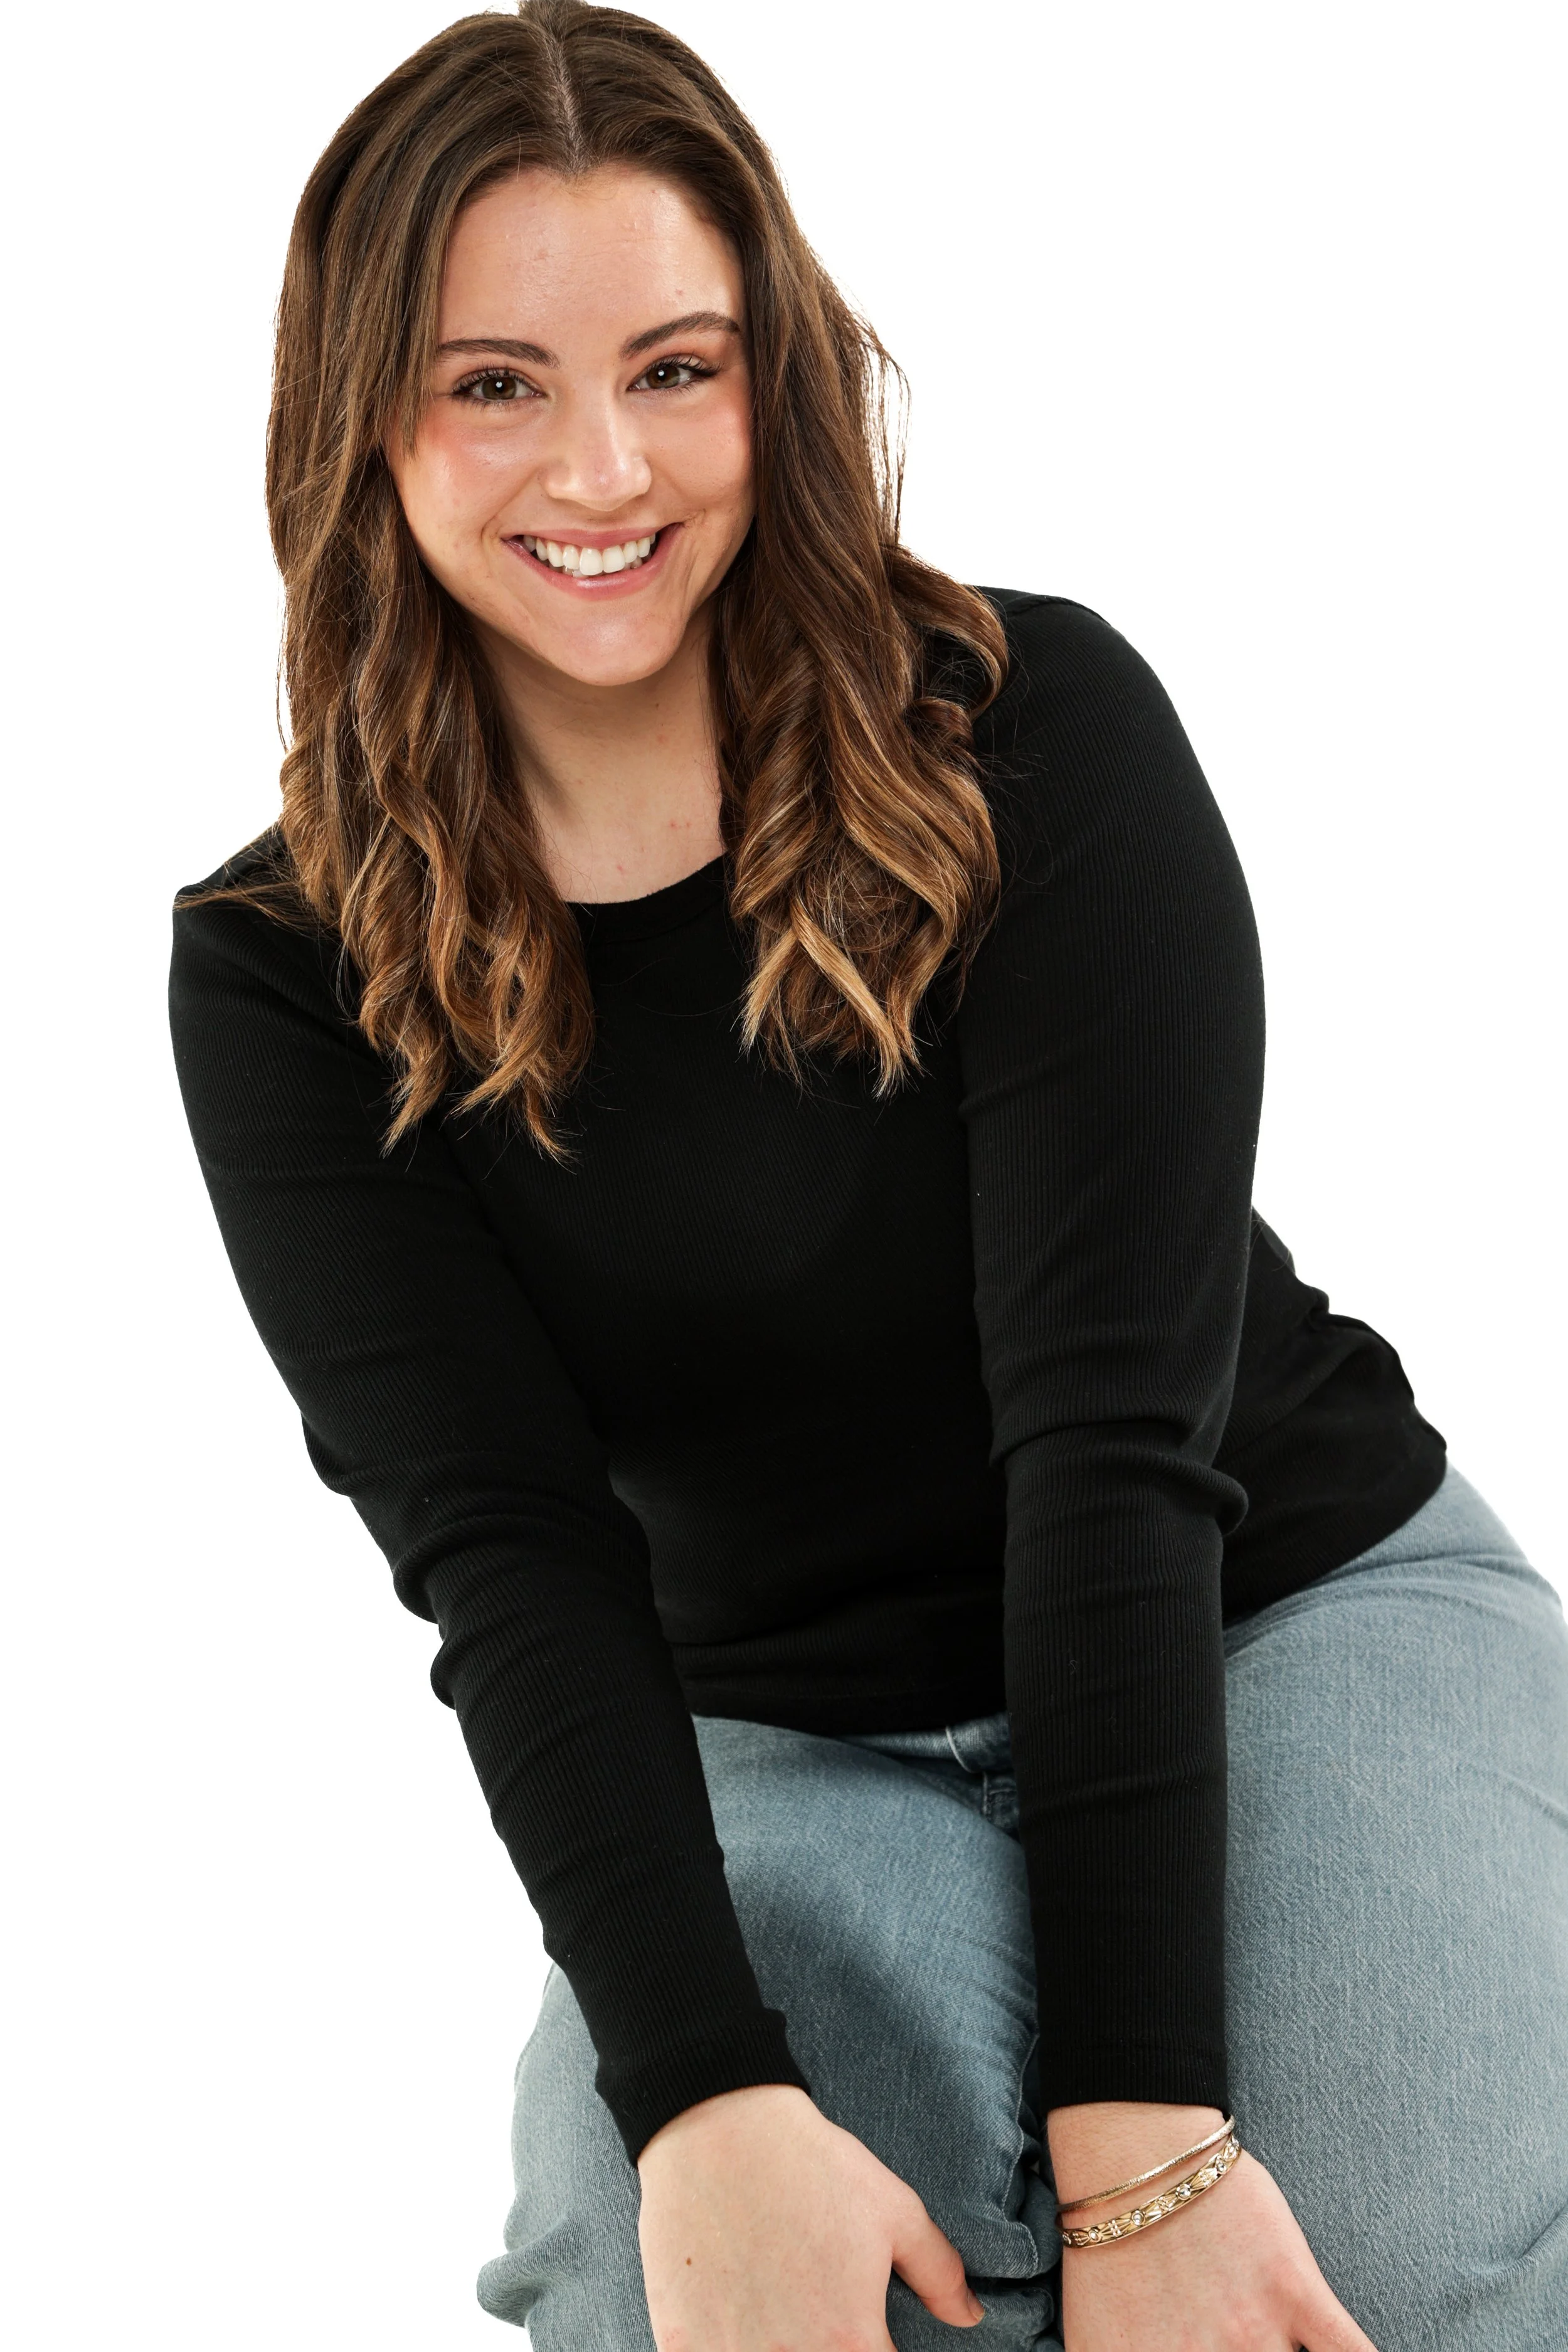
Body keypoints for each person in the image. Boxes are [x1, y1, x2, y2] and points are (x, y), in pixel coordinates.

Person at [167, 6, 1568, 2348]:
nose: (601, 465)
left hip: (1272, 1598)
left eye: (677, 369)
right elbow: (508, 1556)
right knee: (672, 2282)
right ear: (360, 419)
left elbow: (1108, 1449)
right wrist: (705, 2098)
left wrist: (1138, 2143)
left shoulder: (1030, 734)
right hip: (793, 1732)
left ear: (776, 382)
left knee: (1369, 2265)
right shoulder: (280, 966)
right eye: (494, 382)